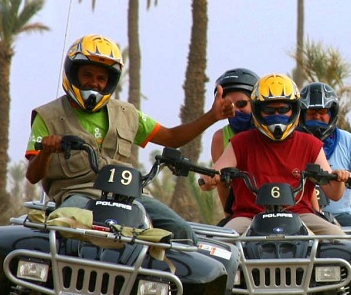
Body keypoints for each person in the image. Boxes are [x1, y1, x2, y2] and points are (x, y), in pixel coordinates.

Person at [25, 34, 231, 241]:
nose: (94, 83)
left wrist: (212, 116)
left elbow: (172, 138)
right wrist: (46, 151)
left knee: (182, 233)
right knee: (62, 228)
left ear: (110, 82)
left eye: (101, 78)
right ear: (73, 74)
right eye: (87, 75)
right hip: (78, 194)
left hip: (129, 195)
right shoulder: (48, 116)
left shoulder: (127, 113)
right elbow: (32, 176)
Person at [199, 74, 351, 235]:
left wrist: (338, 178)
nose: (276, 115)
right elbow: (206, 181)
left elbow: (334, 194)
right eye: (269, 110)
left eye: (283, 109)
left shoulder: (310, 144)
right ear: (257, 110)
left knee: (340, 239)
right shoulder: (240, 143)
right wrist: (210, 178)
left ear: (294, 110)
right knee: (222, 245)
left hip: (301, 215)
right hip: (248, 217)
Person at [300, 81, 351, 228]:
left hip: (340, 216)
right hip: (302, 215)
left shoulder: (346, 139)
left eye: (322, 112)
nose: (317, 117)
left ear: (332, 113)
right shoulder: (295, 140)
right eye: (311, 113)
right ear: (302, 115)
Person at [209, 67, 259, 212]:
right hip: (242, 212)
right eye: (229, 105)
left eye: (242, 104)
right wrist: (229, 217)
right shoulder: (220, 138)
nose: (236, 110)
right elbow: (222, 187)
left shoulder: (268, 133)